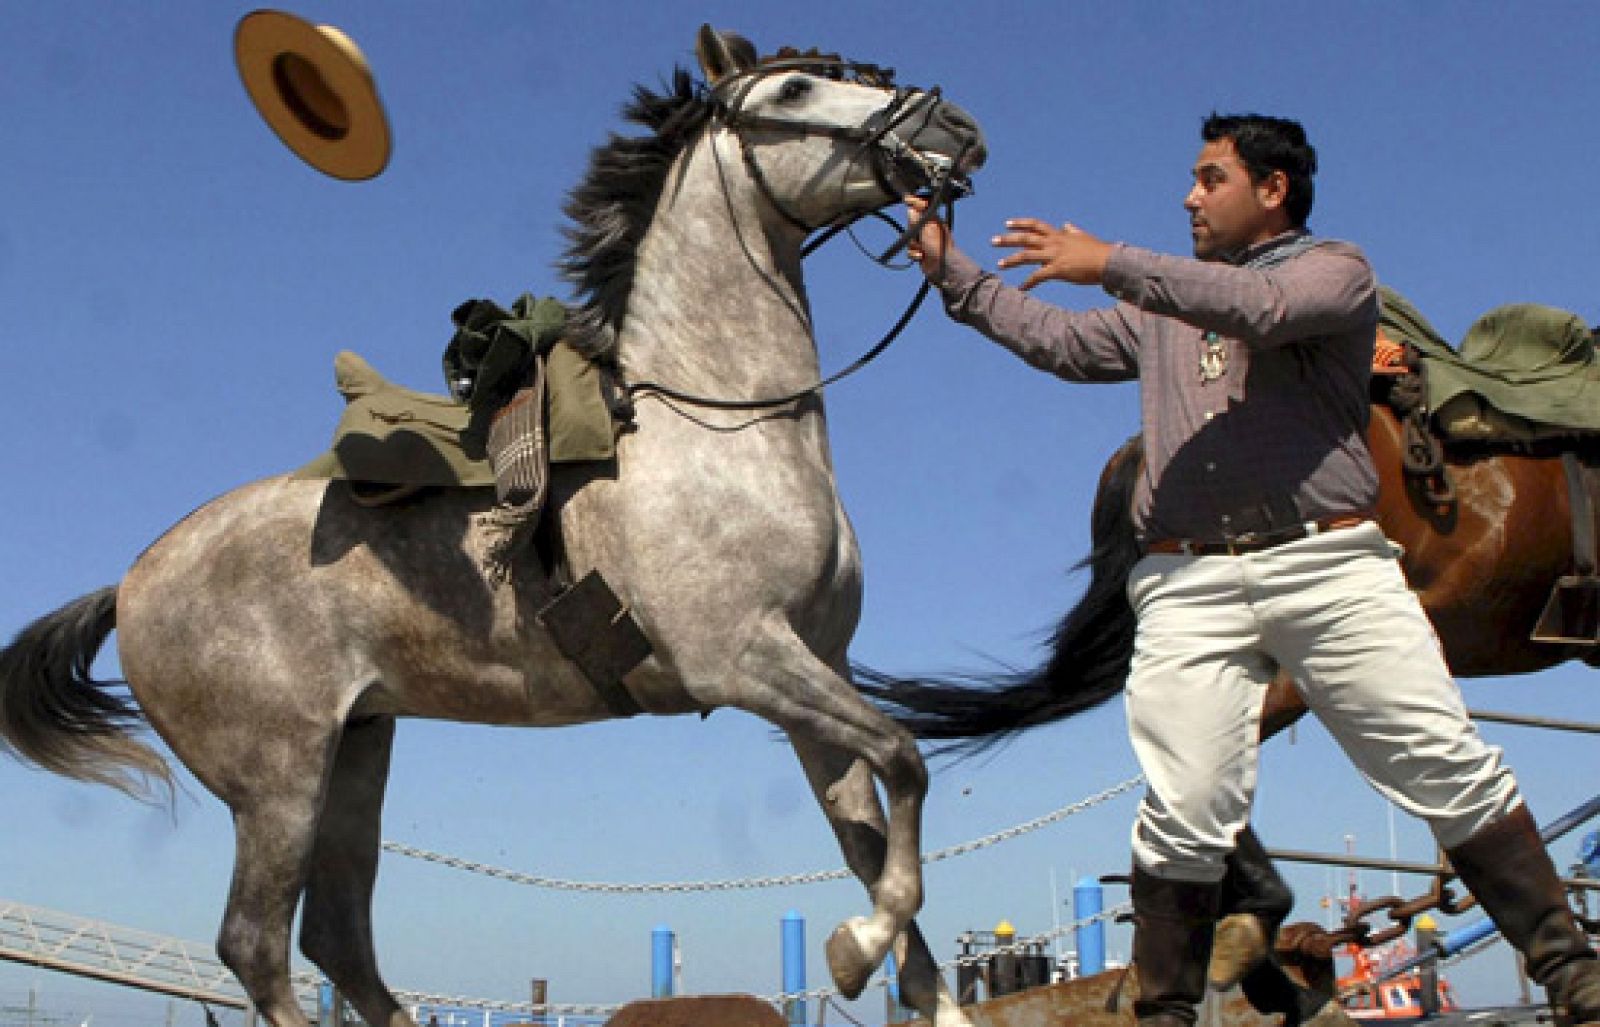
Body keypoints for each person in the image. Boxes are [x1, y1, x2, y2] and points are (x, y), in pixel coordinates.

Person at [903, 113, 1600, 1027]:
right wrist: (948, 266)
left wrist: (1109, 259)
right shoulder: (1162, 307)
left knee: (1445, 763)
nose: (1190, 196)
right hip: (1188, 583)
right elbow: (1060, 343)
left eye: (1210, 178)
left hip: (1328, 566)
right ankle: (1164, 1015)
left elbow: (1260, 313)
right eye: (1191, 180)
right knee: (1184, 808)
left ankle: (1573, 977)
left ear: (1272, 191)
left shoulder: (1335, 273)